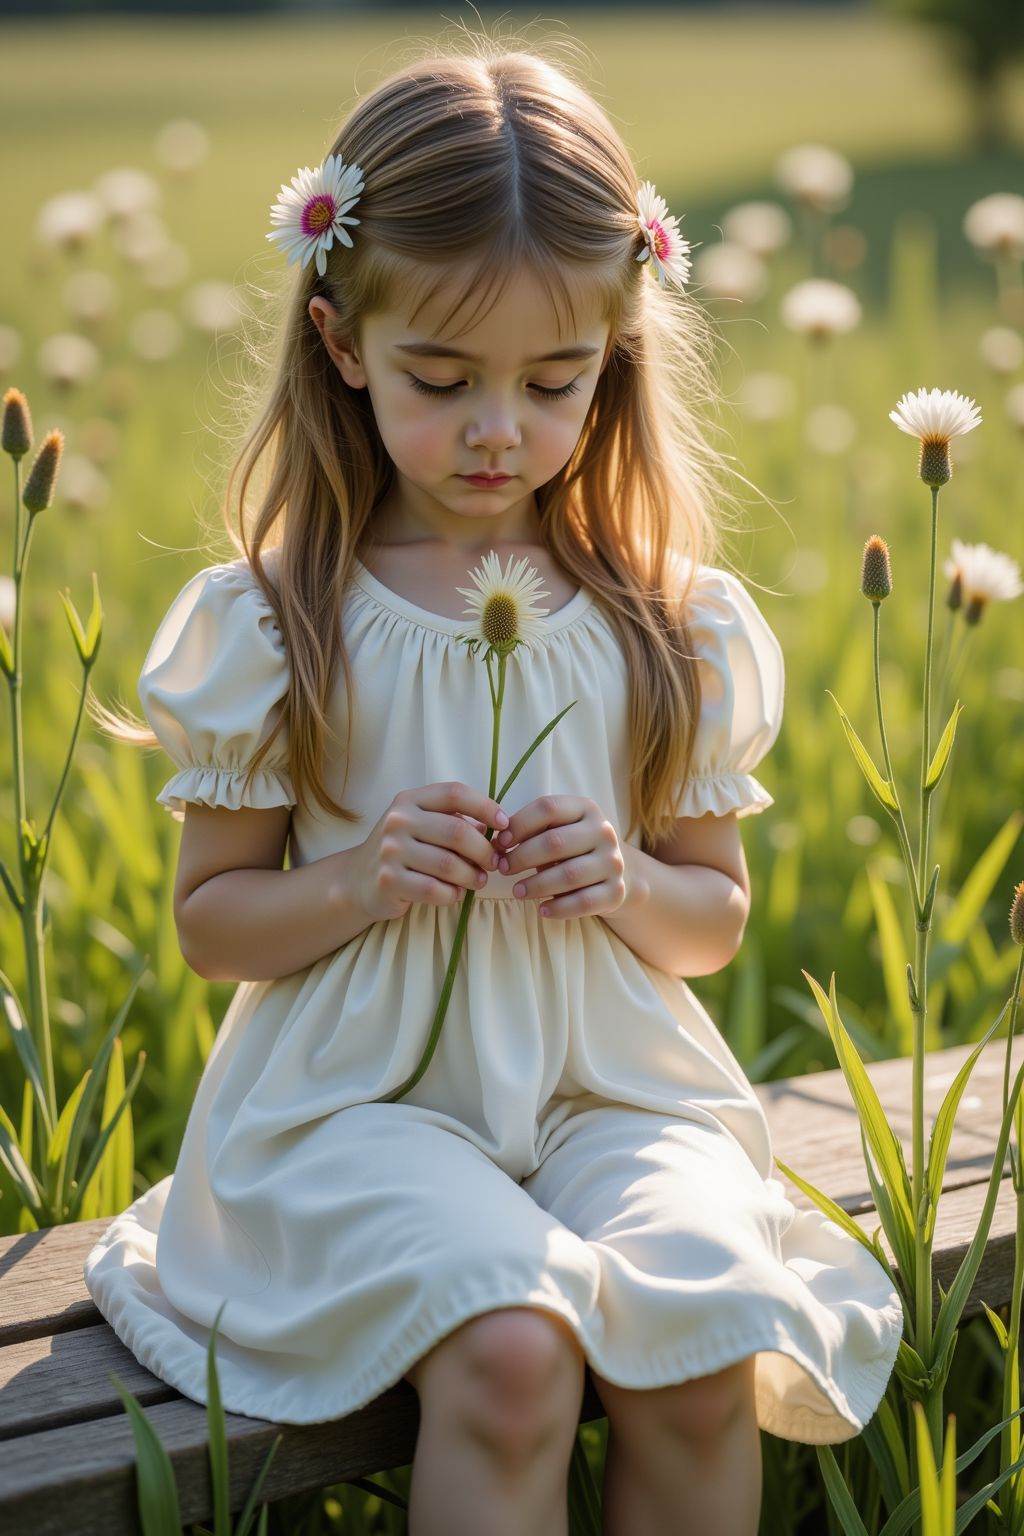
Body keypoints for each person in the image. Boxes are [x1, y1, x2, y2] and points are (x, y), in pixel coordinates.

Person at [83, 39, 903, 1536]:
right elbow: (214, 926)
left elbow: (708, 920)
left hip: (612, 1087)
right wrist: (358, 878)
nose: (497, 431)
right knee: (517, 1346)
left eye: (553, 382)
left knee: (706, 1336)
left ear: (616, 354)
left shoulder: (673, 620)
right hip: (356, 1109)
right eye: (442, 379)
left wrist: (629, 878)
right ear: (341, 342)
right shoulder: (279, 619)